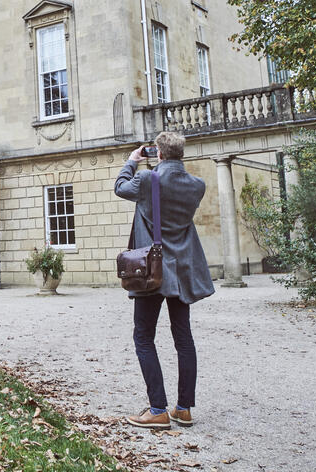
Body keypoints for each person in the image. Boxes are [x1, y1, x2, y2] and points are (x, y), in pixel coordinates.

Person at [114, 130, 215, 429]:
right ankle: (183, 409)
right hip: (181, 272)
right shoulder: (197, 185)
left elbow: (120, 187)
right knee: (183, 338)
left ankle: (157, 409)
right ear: (180, 154)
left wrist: (132, 161)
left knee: (144, 337)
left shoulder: (148, 179)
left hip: (152, 270)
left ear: (158, 153)